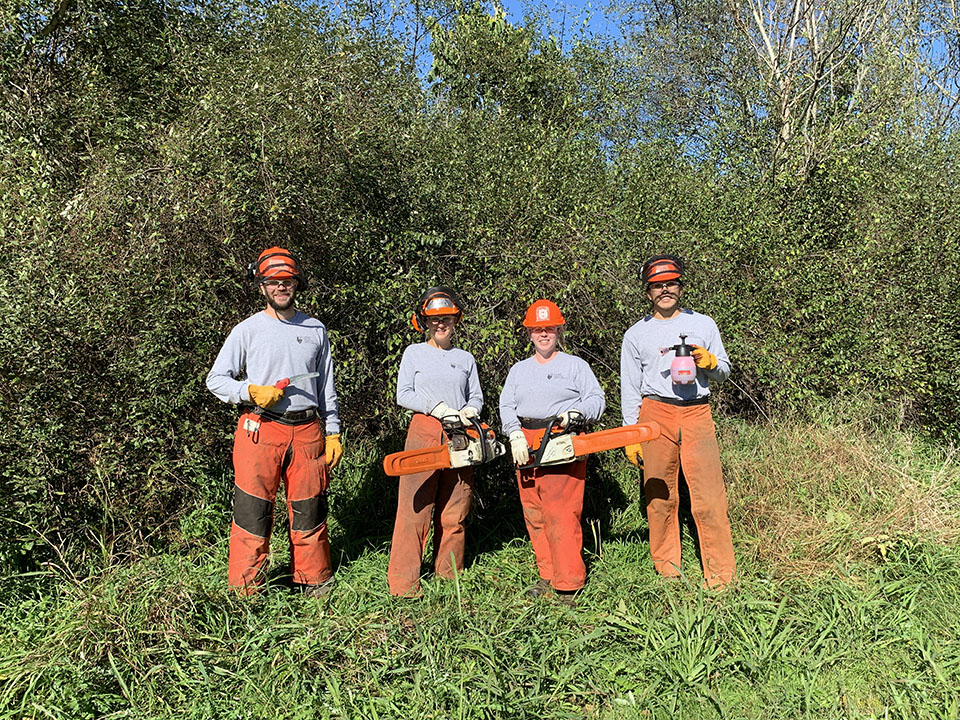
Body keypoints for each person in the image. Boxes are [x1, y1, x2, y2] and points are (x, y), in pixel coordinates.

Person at [206, 247, 343, 595]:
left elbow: (326, 384)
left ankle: (313, 581)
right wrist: (251, 391)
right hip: (260, 429)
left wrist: (333, 430)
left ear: (297, 283)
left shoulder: (315, 329)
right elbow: (216, 379)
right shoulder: (247, 330)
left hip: (309, 430)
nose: (281, 287)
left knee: (310, 508)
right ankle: (246, 589)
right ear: (262, 285)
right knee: (253, 510)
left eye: (287, 281)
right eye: (274, 282)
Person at [620, 254, 736, 589]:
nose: (664, 290)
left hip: (697, 412)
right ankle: (668, 570)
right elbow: (629, 386)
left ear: (680, 287)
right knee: (659, 496)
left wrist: (711, 362)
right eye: (657, 286)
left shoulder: (704, 325)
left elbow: (724, 373)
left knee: (709, 497)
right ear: (648, 292)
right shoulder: (636, 334)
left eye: (670, 283)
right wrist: (632, 434)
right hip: (655, 413)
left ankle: (721, 576)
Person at [499, 299, 606, 604]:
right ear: (529, 333)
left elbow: (597, 399)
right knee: (535, 513)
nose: (543, 334)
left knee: (561, 513)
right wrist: (514, 433)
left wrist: (576, 414)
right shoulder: (519, 370)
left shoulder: (575, 366)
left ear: (559, 330)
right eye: (537, 329)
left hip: (562, 437)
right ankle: (548, 573)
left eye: (549, 328)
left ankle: (568, 583)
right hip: (527, 441)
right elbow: (506, 404)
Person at [387, 287, 483, 597]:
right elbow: (403, 394)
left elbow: (476, 396)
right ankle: (404, 584)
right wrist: (435, 408)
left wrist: (471, 410)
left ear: (456, 320)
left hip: (460, 432)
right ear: (424, 321)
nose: (440, 325)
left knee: (455, 508)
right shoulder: (414, 353)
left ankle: (448, 577)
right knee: (414, 508)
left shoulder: (465, 358)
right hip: (424, 430)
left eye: (446, 319)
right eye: (434, 320)